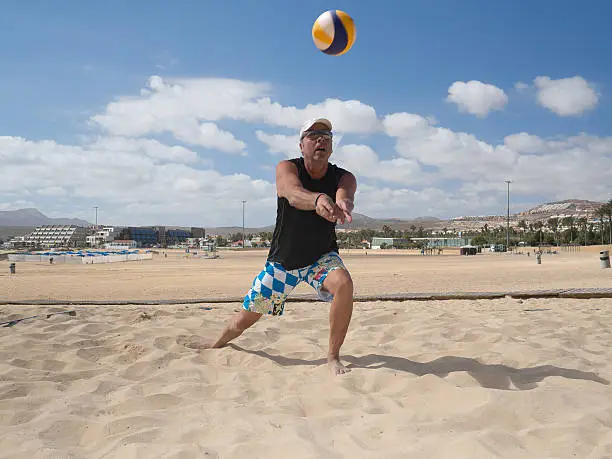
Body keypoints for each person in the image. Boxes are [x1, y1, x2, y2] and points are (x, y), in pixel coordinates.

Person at [186, 117, 357, 375]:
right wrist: (319, 199)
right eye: (313, 135)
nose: (321, 138)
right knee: (245, 320)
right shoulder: (287, 168)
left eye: (327, 135)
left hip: (321, 259)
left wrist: (343, 203)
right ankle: (216, 343)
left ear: (331, 146)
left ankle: (332, 357)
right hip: (284, 263)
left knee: (344, 284)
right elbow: (292, 193)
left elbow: (345, 193)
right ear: (302, 145)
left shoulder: (343, 176)